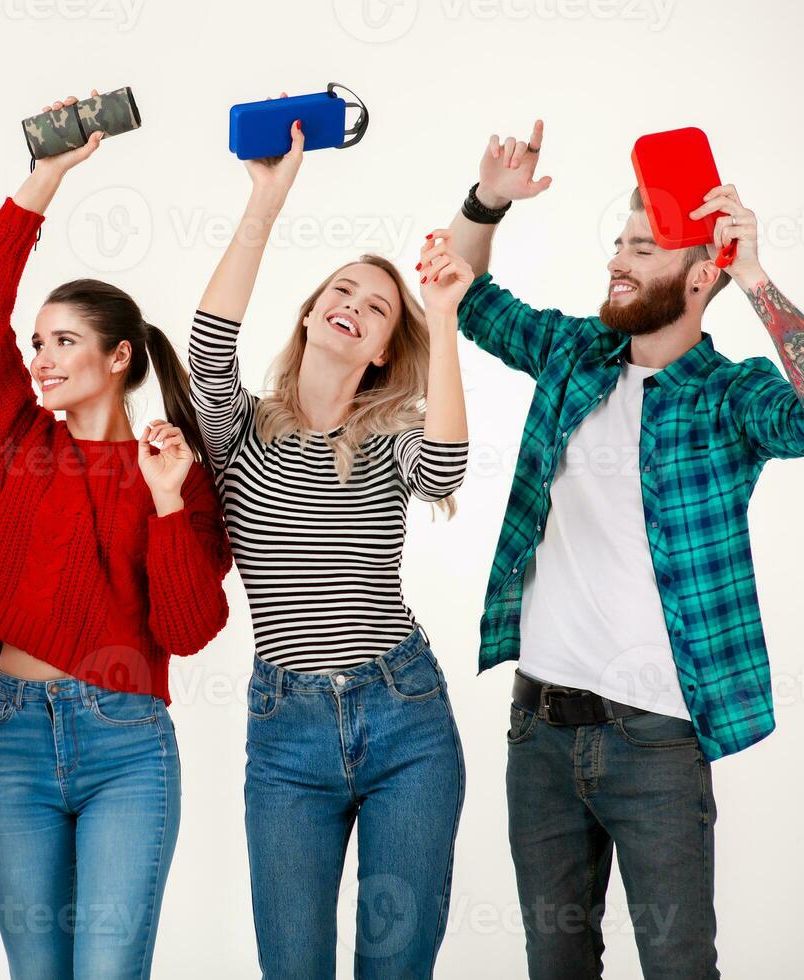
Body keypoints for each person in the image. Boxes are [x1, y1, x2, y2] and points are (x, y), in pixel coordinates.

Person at [447, 120, 804, 979]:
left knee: (680, 967)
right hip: (540, 733)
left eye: (642, 248)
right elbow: (464, 292)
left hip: (658, 746)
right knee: (554, 965)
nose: (618, 260)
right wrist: (487, 201)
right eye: (619, 242)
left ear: (698, 274)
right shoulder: (576, 353)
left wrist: (755, 277)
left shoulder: (730, 395)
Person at [0, 91, 233, 980]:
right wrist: (45, 176)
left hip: (127, 744)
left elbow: (188, 632)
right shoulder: (16, 439)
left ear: (118, 358)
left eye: (63, 341)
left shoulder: (175, 473)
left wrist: (161, 500)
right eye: (37, 340)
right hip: (14, 735)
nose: (38, 358)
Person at [187, 112, 471, 977]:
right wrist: (265, 205)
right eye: (342, 291)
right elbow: (207, 346)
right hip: (288, 734)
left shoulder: (390, 439)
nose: (354, 305)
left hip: (406, 719)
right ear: (312, 312)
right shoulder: (238, 434)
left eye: (378, 308)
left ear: (385, 351)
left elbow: (449, 466)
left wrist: (443, 316)